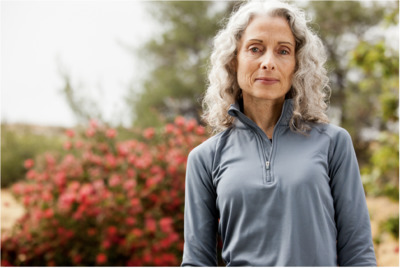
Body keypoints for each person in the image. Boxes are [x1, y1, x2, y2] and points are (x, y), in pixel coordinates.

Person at [181, 0, 377, 266]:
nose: (268, 62)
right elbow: (197, 262)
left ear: (297, 65)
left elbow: (358, 254)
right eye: (255, 49)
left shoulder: (333, 143)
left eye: (283, 51)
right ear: (233, 61)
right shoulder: (205, 158)